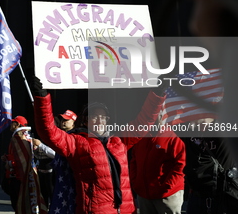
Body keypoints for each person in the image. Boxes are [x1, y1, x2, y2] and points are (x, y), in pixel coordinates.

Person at [31, 77, 166, 214]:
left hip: (126, 210)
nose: (100, 120)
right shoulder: (76, 142)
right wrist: (42, 98)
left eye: (103, 117)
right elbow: (48, 131)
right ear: (85, 121)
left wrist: (157, 94)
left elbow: (144, 121)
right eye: (94, 116)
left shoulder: (119, 141)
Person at [129, 118, 186, 214]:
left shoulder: (174, 138)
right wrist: (136, 182)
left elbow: (181, 165)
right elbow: (134, 160)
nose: (155, 118)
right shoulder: (141, 137)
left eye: (160, 115)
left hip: (167, 196)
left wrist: (167, 186)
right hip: (144, 196)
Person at [5, 115, 47, 214]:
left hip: (18, 177)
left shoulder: (18, 137)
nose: (11, 125)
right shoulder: (27, 137)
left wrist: (9, 163)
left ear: (17, 124)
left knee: (20, 205)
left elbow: (20, 160)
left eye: (13, 122)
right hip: (27, 176)